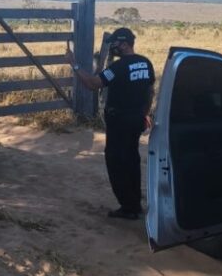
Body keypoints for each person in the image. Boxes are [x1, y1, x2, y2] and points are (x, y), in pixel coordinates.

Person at [65, 27, 155, 220]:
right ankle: (135, 203)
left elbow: (92, 84)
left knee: (116, 161)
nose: (113, 47)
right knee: (132, 159)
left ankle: (128, 207)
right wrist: (145, 113)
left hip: (120, 121)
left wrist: (74, 65)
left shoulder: (118, 68)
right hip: (137, 120)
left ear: (124, 44)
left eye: (114, 43)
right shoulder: (145, 63)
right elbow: (149, 91)